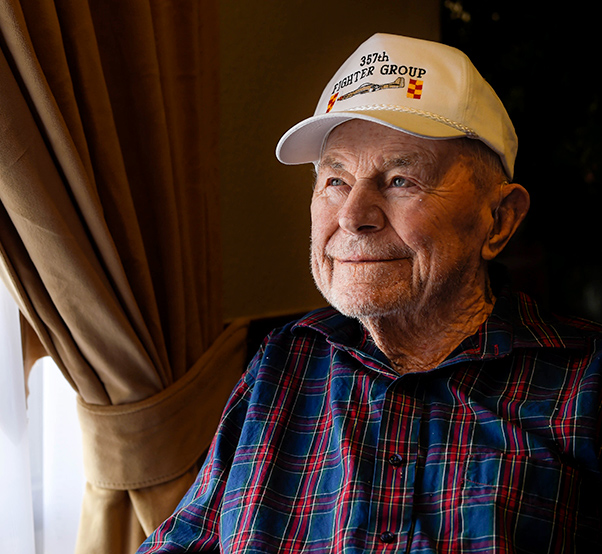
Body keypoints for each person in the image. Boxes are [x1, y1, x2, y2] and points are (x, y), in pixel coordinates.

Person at [137, 33, 602, 553]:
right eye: (335, 181)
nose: (353, 217)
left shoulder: (586, 383)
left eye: (402, 180)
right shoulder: (285, 362)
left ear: (498, 220)